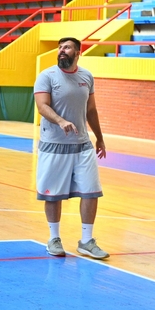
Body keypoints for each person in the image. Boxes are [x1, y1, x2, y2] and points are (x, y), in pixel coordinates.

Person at [33, 37, 109, 260]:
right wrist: (60, 121)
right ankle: (54, 238)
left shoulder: (86, 77)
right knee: (53, 195)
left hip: (82, 145)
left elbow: (91, 110)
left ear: (78, 52)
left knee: (91, 191)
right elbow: (42, 106)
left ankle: (86, 241)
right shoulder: (46, 76)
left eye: (66, 47)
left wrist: (100, 138)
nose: (61, 51)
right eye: (60, 48)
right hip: (53, 144)